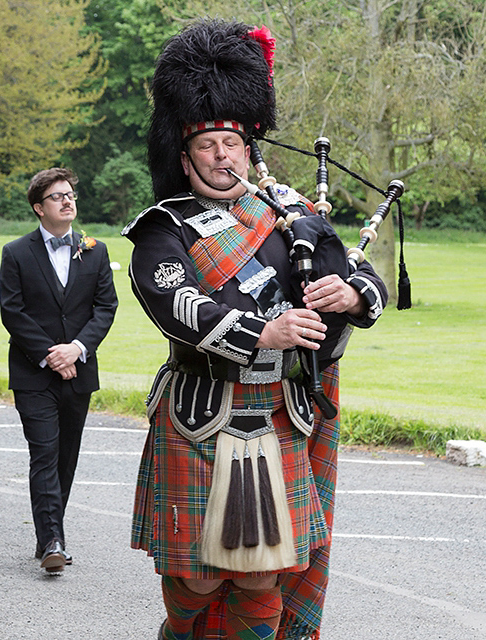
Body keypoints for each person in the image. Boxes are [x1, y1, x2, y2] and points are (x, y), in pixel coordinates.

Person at [124, 20, 388, 639]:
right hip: (203, 410)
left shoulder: (289, 217)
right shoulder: (165, 229)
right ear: (184, 158)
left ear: (249, 148)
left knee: (264, 573)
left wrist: (352, 293)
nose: (221, 156)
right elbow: (176, 304)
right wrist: (264, 333)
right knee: (202, 577)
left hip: (279, 412)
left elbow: (359, 273)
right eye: (207, 145)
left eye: (231, 144)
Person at [0, 168, 118, 574]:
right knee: (45, 453)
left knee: (66, 457)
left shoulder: (95, 250)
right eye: (57, 196)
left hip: (79, 370)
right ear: (38, 207)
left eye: (70, 194)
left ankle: (49, 531)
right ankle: (53, 540)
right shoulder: (15, 253)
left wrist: (77, 349)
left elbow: (106, 307)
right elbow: (11, 312)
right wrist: (51, 355)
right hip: (34, 373)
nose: (67, 201)